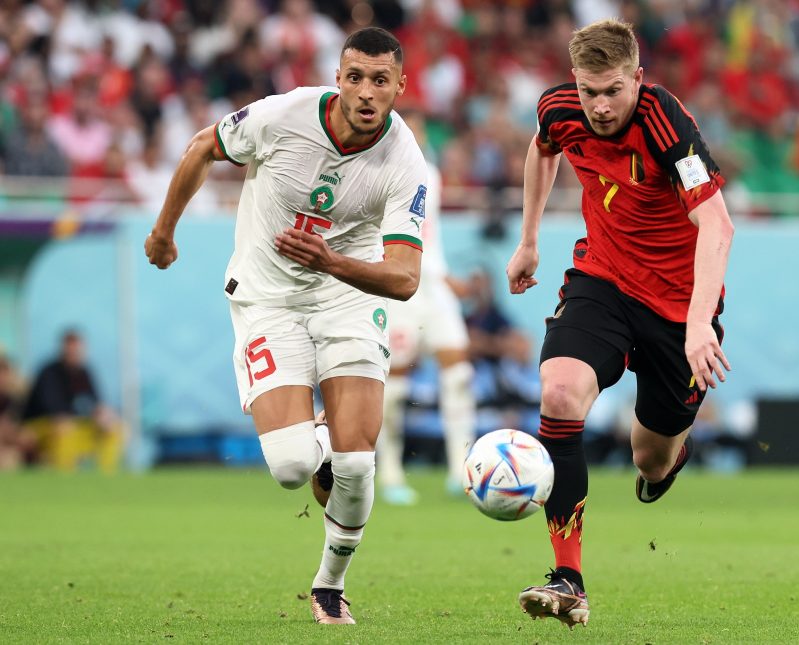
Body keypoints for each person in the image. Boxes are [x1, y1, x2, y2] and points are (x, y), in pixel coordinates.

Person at [144, 27, 427, 626]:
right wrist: (164, 231)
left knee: (356, 463)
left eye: (381, 80)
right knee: (293, 468)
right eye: (355, 77)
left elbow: (404, 279)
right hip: (267, 299)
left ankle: (330, 584)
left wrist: (332, 262)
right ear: (338, 77)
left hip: (346, 297)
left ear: (401, 85)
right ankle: (320, 438)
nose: (366, 92)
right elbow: (202, 147)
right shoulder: (283, 115)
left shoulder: (406, 163)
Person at [505, 19, 734, 628]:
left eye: (612, 91)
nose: (600, 106)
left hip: (678, 306)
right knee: (558, 391)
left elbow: (717, 225)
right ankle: (568, 578)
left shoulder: (665, 124)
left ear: (637, 78)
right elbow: (541, 146)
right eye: (588, 92)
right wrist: (528, 239)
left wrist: (697, 324)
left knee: (650, 458)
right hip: (603, 281)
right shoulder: (559, 109)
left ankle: (666, 462)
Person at [376, 110, 475, 505]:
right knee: (395, 385)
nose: (415, 135)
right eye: (407, 128)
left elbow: (427, 237)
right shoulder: (379, 175)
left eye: (418, 128)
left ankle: (461, 469)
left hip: (434, 286)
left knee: (459, 374)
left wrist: (443, 275)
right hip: (400, 287)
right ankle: (392, 474)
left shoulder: (429, 173)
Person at [21, 331, 123, 472]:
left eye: (77, 350)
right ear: (63, 349)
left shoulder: (85, 372)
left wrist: (103, 416)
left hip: (77, 423)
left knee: (114, 427)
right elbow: (51, 409)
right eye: (71, 349)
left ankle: (106, 474)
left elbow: (95, 402)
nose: (74, 353)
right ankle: (65, 478)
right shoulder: (49, 372)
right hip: (43, 424)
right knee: (64, 429)